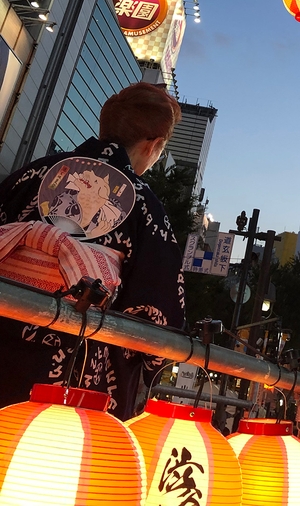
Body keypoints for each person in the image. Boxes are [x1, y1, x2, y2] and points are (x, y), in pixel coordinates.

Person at [0, 82, 185, 419]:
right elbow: (156, 308)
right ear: (154, 145)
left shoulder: (30, 176)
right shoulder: (144, 206)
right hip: (73, 367)